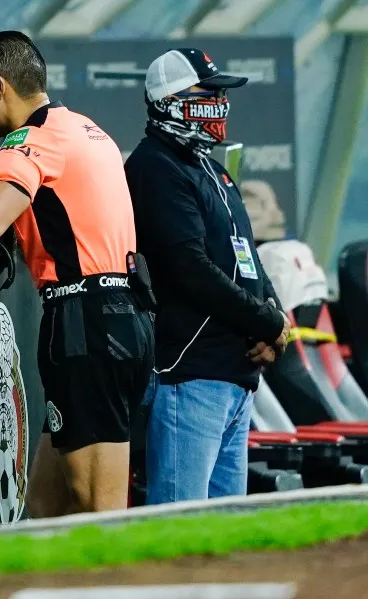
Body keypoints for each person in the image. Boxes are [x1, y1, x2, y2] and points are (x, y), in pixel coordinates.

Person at [0, 31, 154, 514]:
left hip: (84, 324)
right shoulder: (86, 129)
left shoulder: (30, 141)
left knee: (100, 507)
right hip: (123, 317)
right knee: (48, 507)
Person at [123, 48, 291, 505]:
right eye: (208, 93)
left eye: (221, 94)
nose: (219, 104)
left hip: (236, 375)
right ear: (169, 100)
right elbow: (188, 267)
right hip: (191, 372)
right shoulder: (154, 166)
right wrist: (266, 322)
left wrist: (275, 319)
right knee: (182, 522)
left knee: (226, 529)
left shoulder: (212, 168)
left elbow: (246, 256)